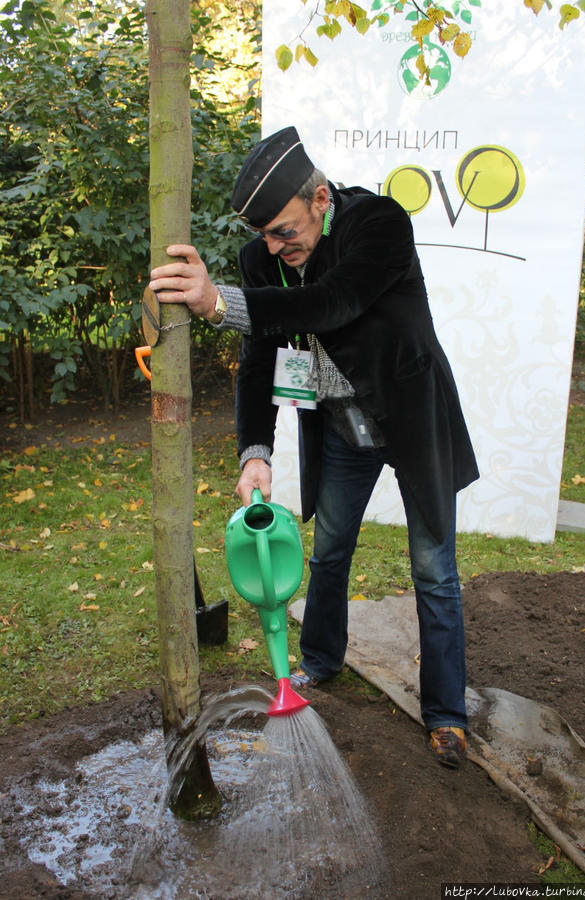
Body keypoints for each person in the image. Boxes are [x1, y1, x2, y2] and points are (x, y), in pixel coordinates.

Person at [149, 126, 479, 768]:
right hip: (343, 427)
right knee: (328, 550)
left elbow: (334, 303)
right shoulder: (262, 258)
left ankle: (446, 713)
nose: (274, 247)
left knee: (434, 569)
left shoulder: (380, 222)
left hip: (412, 415)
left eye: (284, 232)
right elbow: (256, 365)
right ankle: (323, 661)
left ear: (321, 198)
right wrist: (254, 454)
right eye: (265, 235)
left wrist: (220, 304)